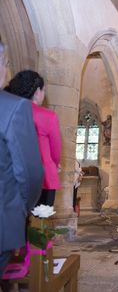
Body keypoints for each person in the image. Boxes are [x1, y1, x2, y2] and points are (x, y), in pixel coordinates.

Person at [0, 41, 44, 277]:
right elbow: (30, 172)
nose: (7, 71)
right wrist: (22, 208)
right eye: (6, 63)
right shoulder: (13, 107)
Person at [7, 70, 62, 206]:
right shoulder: (48, 116)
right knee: (41, 221)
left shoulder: (9, 110)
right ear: (38, 91)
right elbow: (56, 149)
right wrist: (55, 164)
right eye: (44, 90)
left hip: (13, 175)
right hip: (44, 178)